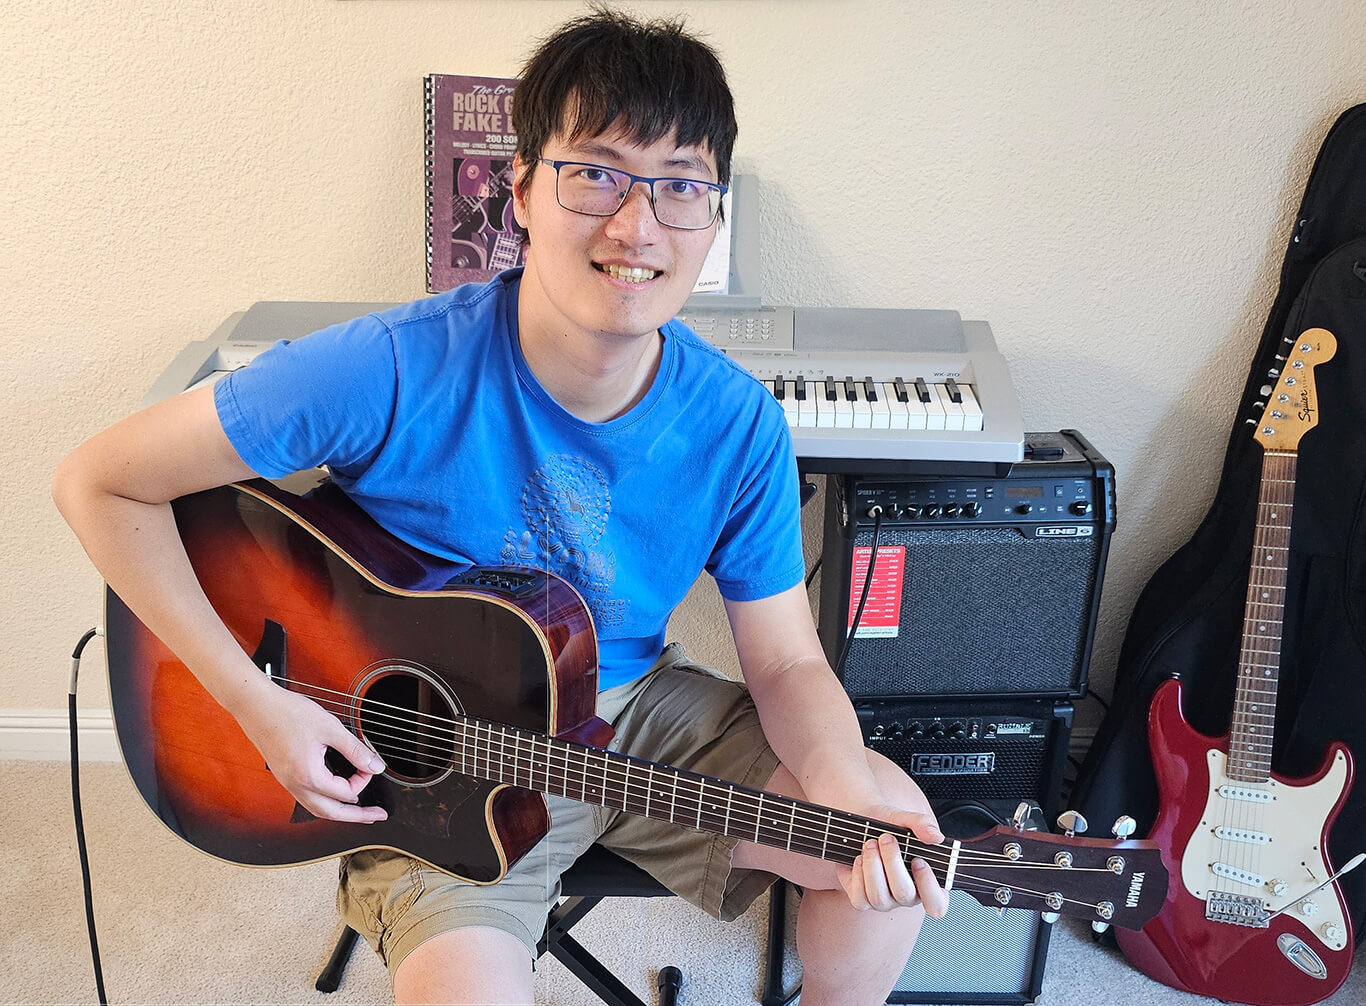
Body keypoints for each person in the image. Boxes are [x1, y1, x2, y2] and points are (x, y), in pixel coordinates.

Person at [53, 8, 947, 1005]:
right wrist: (253, 700)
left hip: (635, 720)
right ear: (519, 189)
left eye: (680, 185)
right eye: (596, 173)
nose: (636, 225)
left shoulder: (738, 423)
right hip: (432, 757)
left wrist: (845, 802)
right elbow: (98, 480)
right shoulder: (388, 366)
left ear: (712, 217)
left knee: (891, 834)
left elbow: (785, 662)